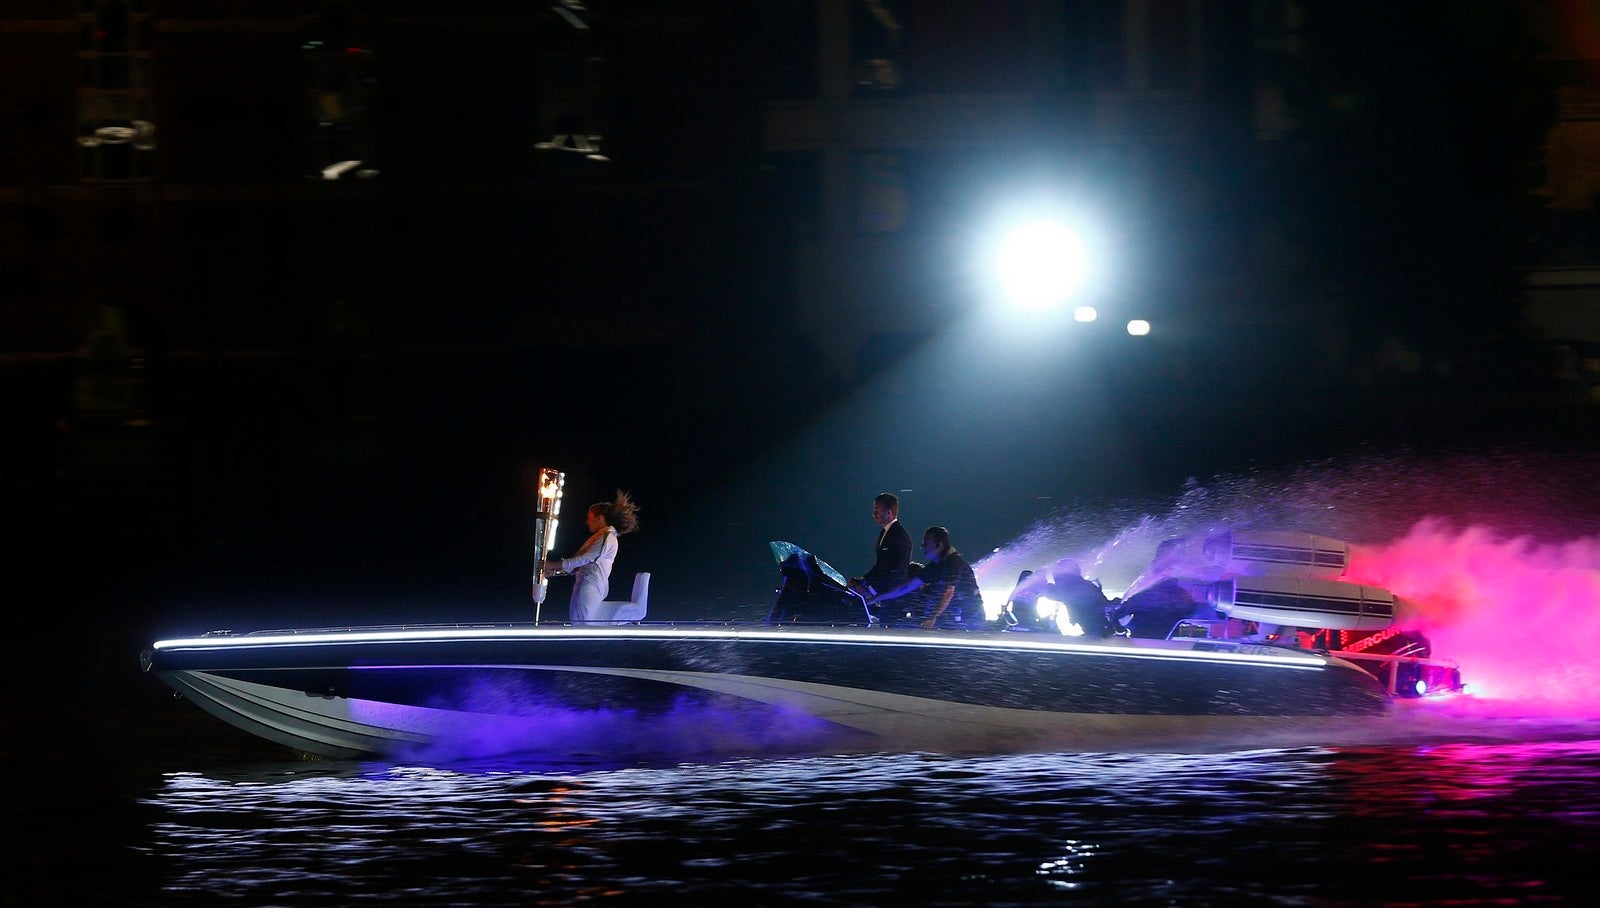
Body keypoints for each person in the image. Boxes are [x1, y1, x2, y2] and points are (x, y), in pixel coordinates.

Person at [543, 490, 640, 623]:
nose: (587, 522)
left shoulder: (608, 537)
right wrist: (555, 572)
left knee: (582, 624)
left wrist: (551, 564)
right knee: (578, 623)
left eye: (589, 517)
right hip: (586, 584)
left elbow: (585, 559)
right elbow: (581, 566)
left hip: (590, 586)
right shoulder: (601, 536)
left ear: (599, 518)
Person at [865, 526, 984, 629]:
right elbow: (906, 587)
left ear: (939, 545)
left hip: (971, 619)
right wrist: (876, 598)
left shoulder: (953, 564)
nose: (922, 546)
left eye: (926, 543)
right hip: (956, 617)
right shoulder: (935, 567)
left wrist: (934, 616)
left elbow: (949, 592)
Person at [848, 492, 912, 599]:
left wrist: (871, 590)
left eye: (877, 510)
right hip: (884, 593)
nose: (874, 513)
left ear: (889, 512)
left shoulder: (899, 536)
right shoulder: (885, 532)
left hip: (893, 596)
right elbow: (881, 565)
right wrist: (863, 580)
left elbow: (895, 570)